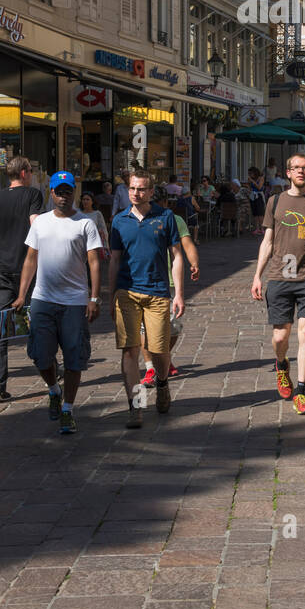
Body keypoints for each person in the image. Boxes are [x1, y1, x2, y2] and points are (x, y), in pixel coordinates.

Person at [13, 171, 104, 436]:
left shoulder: (84, 223)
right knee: (40, 355)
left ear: (73, 192)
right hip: (43, 299)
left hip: (75, 302)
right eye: (58, 191)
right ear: (51, 193)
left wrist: (94, 297)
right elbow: (30, 259)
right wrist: (22, 294)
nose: (63, 196)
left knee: (74, 359)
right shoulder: (40, 222)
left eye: (67, 191)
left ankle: (67, 409)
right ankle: (54, 389)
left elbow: (94, 261)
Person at [251, 152, 305, 415]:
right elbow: (267, 242)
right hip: (280, 277)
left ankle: (301, 392)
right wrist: (257, 275)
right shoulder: (275, 202)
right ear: (287, 172)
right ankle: (281, 365)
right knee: (280, 337)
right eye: (296, 168)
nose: (301, 172)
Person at [109, 171, 184, 428]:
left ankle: (162, 383)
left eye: (141, 189)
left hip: (158, 293)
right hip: (126, 292)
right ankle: (136, 406)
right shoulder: (119, 221)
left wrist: (180, 294)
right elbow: (115, 260)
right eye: (132, 188)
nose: (135, 193)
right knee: (130, 351)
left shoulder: (166, 217)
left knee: (158, 349)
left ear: (151, 192)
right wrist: (111, 296)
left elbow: (177, 256)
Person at [0, 155, 44, 403]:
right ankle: (48, 368)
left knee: (0, 322)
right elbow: (36, 226)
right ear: (25, 173)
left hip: (1, 268)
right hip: (26, 265)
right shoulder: (32, 195)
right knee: (37, 316)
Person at [139, 185, 200, 385]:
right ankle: (150, 368)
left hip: (170, 282)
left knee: (173, 327)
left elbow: (187, 243)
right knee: (144, 328)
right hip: (145, 280)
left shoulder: (174, 219)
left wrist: (194, 263)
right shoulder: (140, 219)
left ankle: (163, 357)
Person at [247, 167, 266, 234]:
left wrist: (252, 181)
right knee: (255, 213)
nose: (249, 175)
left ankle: (262, 228)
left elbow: (259, 187)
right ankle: (257, 228)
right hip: (253, 196)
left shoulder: (261, 178)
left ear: (255, 173)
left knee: (260, 213)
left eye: (250, 173)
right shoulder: (251, 179)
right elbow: (250, 187)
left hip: (259, 196)